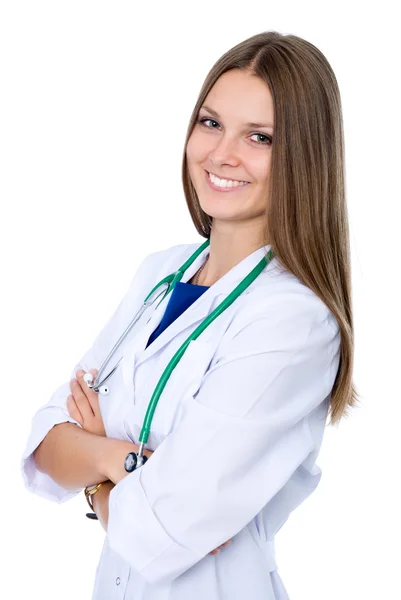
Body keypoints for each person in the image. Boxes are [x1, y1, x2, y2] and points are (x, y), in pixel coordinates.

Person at [20, 30, 359, 600]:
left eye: (259, 136)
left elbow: (164, 525)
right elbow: (45, 443)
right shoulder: (160, 272)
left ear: (304, 156)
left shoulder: (294, 322)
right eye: (210, 123)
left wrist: (97, 469)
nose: (221, 154)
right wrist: (123, 460)